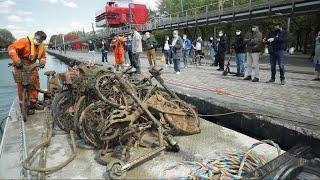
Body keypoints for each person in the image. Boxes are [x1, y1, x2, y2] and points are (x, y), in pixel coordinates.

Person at [8, 31, 47, 115]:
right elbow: (11, 48)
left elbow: (43, 56)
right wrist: (16, 60)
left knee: (35, 83)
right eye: (38, 39)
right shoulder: (24, 41)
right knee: (22, 85)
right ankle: (24, 107)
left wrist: (42, 62)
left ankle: (33, 104)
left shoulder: (41, 46)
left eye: (41, 41)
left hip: (32, 65)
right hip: (20, 64)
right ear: (35, 36)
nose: (39, 42)